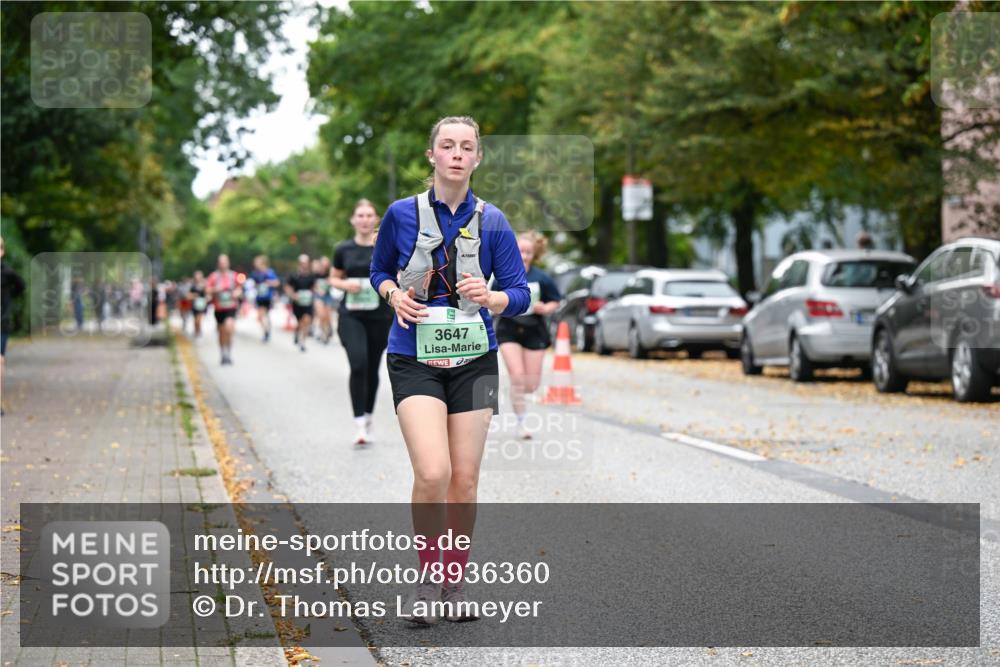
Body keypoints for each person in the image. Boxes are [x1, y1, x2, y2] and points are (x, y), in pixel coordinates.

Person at [370, 116, 529, 624]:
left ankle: (453, 584)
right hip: (412, 354)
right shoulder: (400, 214)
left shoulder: (494, 220)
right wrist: (394, 294)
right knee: (433, 472)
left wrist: (494, 296)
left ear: (477, 158)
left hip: (475, 358)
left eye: (467, 147)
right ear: (432, 155)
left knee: (463, 480)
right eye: (447, 145)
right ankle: (425, 578)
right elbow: (377, 271)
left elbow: (520, 293)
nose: (457, 154)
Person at [330, 199, 394, 445]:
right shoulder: (342, 249)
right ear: (353, 220)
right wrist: (346, 284)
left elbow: (398, 273)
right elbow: (333, 279)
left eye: (369, 215)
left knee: (372, 366)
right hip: (352, 315)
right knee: (358, 364)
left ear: (376, 219)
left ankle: (368, 416)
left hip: (380, 316)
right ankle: (358, 424)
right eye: (360, 215)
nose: (365, 219)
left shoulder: (385, 246)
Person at [494, 231, 562, 439]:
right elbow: (492, 300)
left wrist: (545, 308)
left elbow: (556, 301)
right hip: (509, 329)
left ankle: (519, 395)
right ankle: (522, 422)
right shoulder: (502, 274)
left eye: (528, 252)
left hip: (534, 330)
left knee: (530, 385)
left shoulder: (542, 277)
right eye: (520, 251)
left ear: (535, 255)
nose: (523, 256)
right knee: (517, 378)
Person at [1, 236, 26, 416]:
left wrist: (8, 299)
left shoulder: (7, 272)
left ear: (2, 251)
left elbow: (21, 286)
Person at [206, 254, 242, 365]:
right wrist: (216, 289)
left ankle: (228, 353)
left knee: (229, 328)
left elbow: (239, 289)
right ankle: (223, 353)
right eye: (221, 262)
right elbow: (207, 290)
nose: (223, 264)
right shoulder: (213, 276)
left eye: (225, 262)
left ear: (228, 263)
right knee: (221, 332)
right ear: (218, 264)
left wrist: (236, 293)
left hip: (231, 306)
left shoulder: (234, 275)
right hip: (219, 308)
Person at [285, 254, 316, 353]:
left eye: (306, 262)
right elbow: (287, 287)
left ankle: (303, 342)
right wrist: (293, 295)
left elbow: (314, 287)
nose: (304, 265)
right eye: (302, 263)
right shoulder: (294, 275)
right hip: (297, 303)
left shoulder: (311, 276)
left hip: (308, 302)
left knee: (307, 321)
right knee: (300, 322)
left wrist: (315, 293)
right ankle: (297, 332)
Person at [250, 255, 279, 342]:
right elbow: (251, 284)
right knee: (261, 316)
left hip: (267, 297)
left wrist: (268, 283)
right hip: (259, 297)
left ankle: (267, 331)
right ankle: (266, 330)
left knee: (264, 315)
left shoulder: (269, 272)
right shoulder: (255, 273)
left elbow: (276, 282)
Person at [311, 257, 334, 344]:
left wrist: (330, 282)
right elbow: (311, 285)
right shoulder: (316, 274)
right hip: (318, 296)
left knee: (327, 316)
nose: (324, 266)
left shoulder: (330, 274)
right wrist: (317, 290)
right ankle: (323, 332)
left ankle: (327, 330)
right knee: (321, 314)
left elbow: (334, 283)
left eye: (326, 264)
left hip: (327, 296)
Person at [189, 271, 208, 337]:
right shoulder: (193, 286)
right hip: (195, 305)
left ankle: (199, 332)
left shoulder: (204, 285)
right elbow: (188, 295)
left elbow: (207, 294)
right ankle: (196, 331)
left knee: (199, 319)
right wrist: (193, 296)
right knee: (195, 320)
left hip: (202, 304)